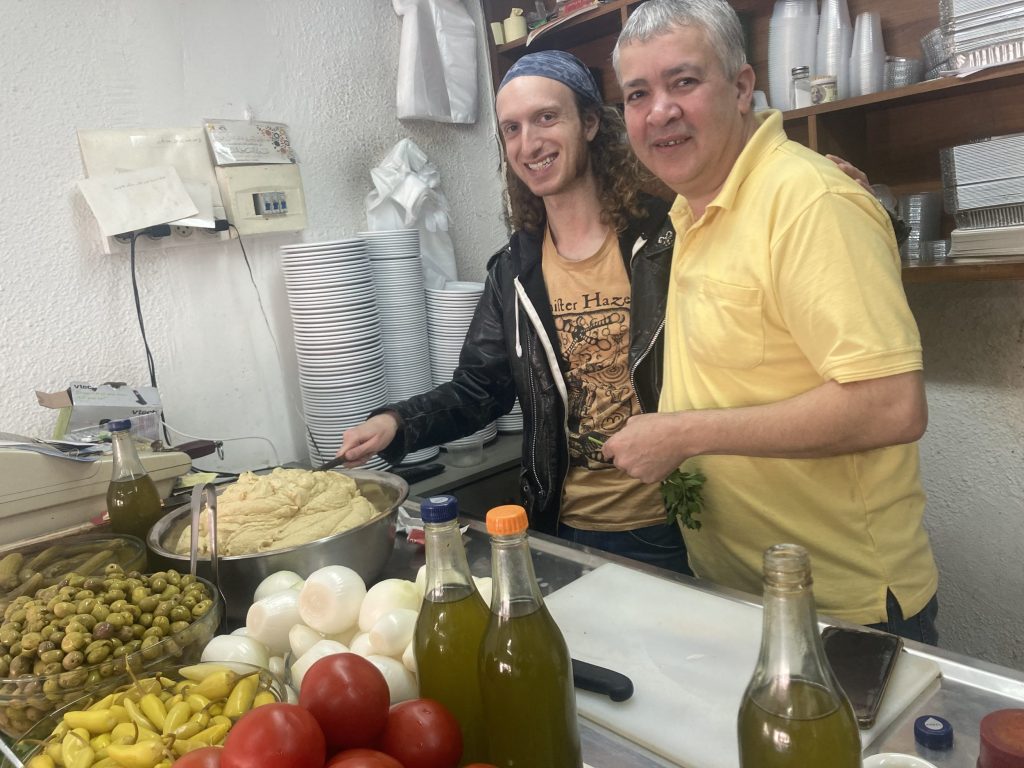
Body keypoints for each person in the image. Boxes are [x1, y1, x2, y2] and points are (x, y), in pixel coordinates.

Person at [604, 0, 939, 642]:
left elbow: (891, 406)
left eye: (684, 81)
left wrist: (681, 434)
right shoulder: (689, 212)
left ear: (741, 88)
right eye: (638, 93)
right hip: (741, 589)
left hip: (840, 608)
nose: (660, 111)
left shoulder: (810, 202)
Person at [340, 51, 693, 574]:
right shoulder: (515, 270)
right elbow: (480, 389)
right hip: (567, 528)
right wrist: (398, 421)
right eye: (511, 129)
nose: (529, 143)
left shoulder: (670, 236)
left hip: (681, 523)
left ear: (591, 122)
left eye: (546, 118)